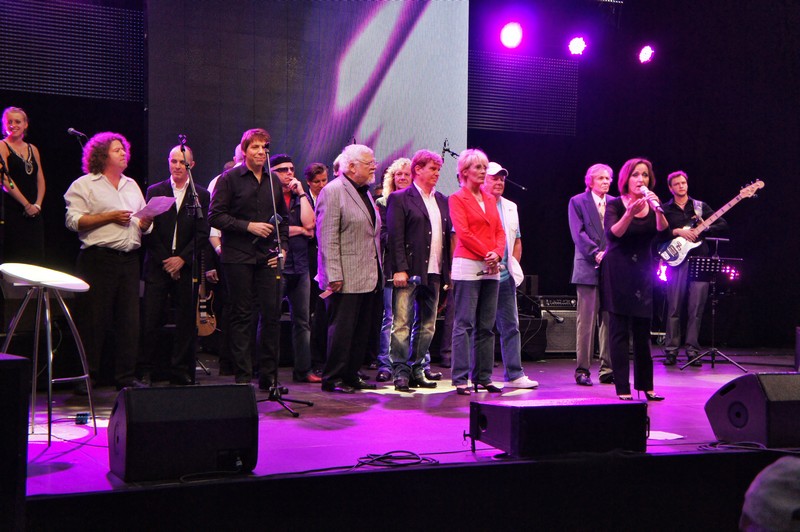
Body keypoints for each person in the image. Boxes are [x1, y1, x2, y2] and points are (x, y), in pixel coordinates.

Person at [64, 132, 153, 392]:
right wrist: (109, 216)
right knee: (93, 320)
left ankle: (125, 376)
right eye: (117, 150)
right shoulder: (84, 184)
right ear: (102, 155)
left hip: (129, 260)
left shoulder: (131, 184)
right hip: (99, 258)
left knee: (129, 321)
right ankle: (87, 376)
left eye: (124, 149)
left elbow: (141, 222)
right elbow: (73, 221)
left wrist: (146, 223)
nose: (123, 153)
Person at [208, 128, 289, 391]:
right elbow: (215, 216)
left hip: (267, 257)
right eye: (255, 147)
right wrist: (248, 226)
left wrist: (283, 248)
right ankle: (243, 377)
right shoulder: (229, 179)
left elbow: (283, 219)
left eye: (264, 147)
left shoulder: (273, 180)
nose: (261, 152)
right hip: (238, 256)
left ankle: (269, 377)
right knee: (242, 315)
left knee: (272, 314)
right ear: (244, 151)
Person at [139, 145, 210, 386]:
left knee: (186, 321)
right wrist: (166, 260)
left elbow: (202, 232)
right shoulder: (156, 190)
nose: (177, 166)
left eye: (182, 162)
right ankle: (147, 368)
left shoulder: (200, 195)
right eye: (173, 161)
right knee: (151, 319)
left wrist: (182, 259)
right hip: (158, 265)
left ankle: (180, 369)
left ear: (192, 165)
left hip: (186, 266)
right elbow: (148, 229)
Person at [315, 144, 382, 393]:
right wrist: (333, 274)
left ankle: (352, 374)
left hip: (367, 274)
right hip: (344, 275)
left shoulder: (365, 192)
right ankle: (333, 377)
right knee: (342, 330)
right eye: (369, 162)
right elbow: (327, 237)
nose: (374, 166)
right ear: (352, 167)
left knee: (361, 330)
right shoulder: (333, 191)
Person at [601, 157, 668, 401]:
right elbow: (613, 234)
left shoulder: (653, 202)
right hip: (618, 270)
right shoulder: (615, 204)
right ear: (626, 179)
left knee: (642, 331)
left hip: (643, 271)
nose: (641, 179)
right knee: (619, 331)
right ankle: (622, 387)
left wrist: (657, 208)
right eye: (636, 175)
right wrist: (629, 213)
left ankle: (646, 386)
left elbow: (663, 231)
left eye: (645, 175)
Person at [386, 149, 451, 391]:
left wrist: (447, 273)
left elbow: (445, 238)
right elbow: (395, 237)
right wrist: (400, 269)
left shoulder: (441, 200)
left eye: (438, 169)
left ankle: (416, 368)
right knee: (402, 323)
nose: (437, 173)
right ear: (418, 169)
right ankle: (400, 371)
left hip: (434, 271)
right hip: (410, 271)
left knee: (427, 325)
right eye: (432, 169)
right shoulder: (401, 198)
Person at [449, 149, 506, 395]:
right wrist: (488, 254)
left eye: (484, 167)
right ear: (464, 172)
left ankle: (483, 376)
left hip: (491, 266)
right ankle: (460, 378)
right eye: (478, 167)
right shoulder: (457, 198)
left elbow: (500, 231)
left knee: (486, 324)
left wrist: (498, 254)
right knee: (464, 323)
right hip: (469, 264)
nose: (483, 171)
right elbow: (464, 233)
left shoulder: (490, 199)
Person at [481, 162, 538, 389]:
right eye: (494, 178)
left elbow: (517, 241)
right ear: (483, 180)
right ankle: (479, 375)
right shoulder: (476, 204)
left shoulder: (511, 207)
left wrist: (512, 265)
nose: (499, 182)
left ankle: (514, 374)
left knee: (511, 326)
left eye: (502, 179)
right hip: (481, 275)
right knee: (481, 327)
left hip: (505, 277)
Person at [662, 170, 728, 367]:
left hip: (699, 259)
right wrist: (676, 231)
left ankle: (692, 350)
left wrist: (705, 228)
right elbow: (658, 233)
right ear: (670, 188)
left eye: (683, 182)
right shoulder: (665, 209)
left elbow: (723, 224)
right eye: (677, 184)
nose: (681, 186)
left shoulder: (700, 207)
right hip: (676, 262)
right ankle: (671, 350)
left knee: (696, 308)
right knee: (674, 307)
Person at [271, 153, 320, 383]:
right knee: (270, 318)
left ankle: (303, 370)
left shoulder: (300, 196)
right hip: (276, 264)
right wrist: (299, 230)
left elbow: (311, 224)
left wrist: (301, 193)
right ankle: (267, 371)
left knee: (302, 320)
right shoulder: (269, 196)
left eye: (291, 169)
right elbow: (274, 229)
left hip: (300, 266)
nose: (289, 173)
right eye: (283, 169)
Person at [568, 163, 615, 386]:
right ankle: (582, 369)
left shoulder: (615, 202)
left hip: (611, 267)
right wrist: (596, 253)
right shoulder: (578, 201)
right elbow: (578, 233)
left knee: (609, 320)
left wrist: (610, 254)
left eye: (608, 178)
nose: (605, 182)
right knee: (586, 322)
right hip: (588, 266)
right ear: (590, 181)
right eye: (601, 178)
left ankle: (608, 369)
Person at [375, 157, 412, 382]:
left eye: (407, 174)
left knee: (415, 318)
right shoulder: (383, 203)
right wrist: (405, 240)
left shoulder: (421, 202)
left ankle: (416, 363)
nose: (403, 178)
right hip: (391, 266)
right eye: (399, 174)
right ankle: (385, 363)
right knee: (390, 318)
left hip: (416, 267)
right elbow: (383, 235)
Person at [0, 106, 45, 263]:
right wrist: (26, 205)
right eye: (9, 122)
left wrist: (37, 205)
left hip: (34, 211)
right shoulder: (2, 146)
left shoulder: (33, 149)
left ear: (25, 124)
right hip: (13, 209)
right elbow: (5, 180)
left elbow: (40, 179)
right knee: (15, 256)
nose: (13, 125)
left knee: (34, 256)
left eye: (17, 122)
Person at [305, 162, 329, 376]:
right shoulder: (304, 199)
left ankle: (323, 358)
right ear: (309, 182)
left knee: (323, 311)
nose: (321, 185)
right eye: (317, 182)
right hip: (308, 261)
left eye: (324, 180)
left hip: (325, 262)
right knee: (310, 312)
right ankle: (311, 360)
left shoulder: (330, 196)